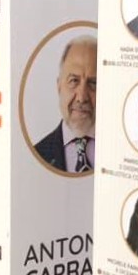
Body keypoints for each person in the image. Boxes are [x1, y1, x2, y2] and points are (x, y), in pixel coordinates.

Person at [34, 35, 97, 173]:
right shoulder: (37, 154)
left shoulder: (119, 150)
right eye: (74, 81)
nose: (82, 98)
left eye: (93, 83)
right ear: (59, 86)